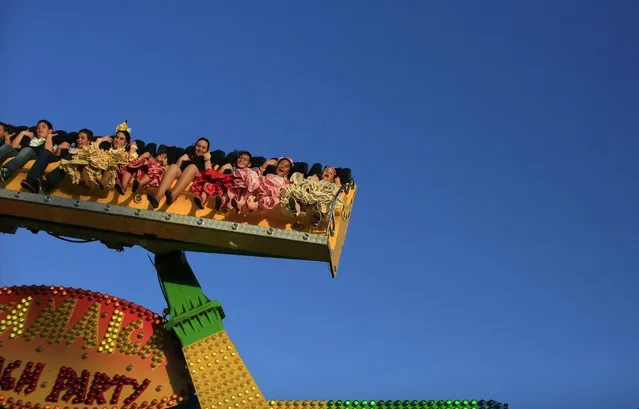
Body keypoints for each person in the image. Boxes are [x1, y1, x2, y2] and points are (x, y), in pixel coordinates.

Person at [59, 121, 136, 189]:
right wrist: (102, 139)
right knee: (85, 163)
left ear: (126, 143)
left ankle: (103, 183)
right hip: (98, 165)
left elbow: (130, 159)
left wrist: (132, 147)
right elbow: (93, 147)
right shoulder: (106, 146)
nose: (117, 140)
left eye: (121, 139)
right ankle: (86, 182)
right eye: (116, 137)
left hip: (112, 169)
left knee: (110, 169)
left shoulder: (125, 153)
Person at [20, 129, 93, 193]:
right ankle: (32, 181)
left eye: (82, 138)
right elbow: (56, 157)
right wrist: (59, 148)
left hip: (71, 164)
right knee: (45, 152)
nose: (79, 140)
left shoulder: (92, 151)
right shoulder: (71, 148)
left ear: (89, 141)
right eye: (78, 138)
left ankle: (49, 184)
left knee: (70, 158)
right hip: (61, 160)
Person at [146, 137, 211, 208]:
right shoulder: (188, 153)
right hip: (184, 175)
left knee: (192, 167)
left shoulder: (207, 159)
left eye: (203, 148)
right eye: (198, 146)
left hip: (197, 177)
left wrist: (207, 160)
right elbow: (177, 168)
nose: (200, 149)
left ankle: (172, 196)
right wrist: (180, 159)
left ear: (207, 150)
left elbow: (210, 175)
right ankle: (157, 199)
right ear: (195, 146)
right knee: (173, 166)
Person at [0, 120, 66, 184]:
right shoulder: (30, 138)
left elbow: (47, 152)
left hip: (35, 156)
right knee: (6, 147)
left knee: (27, 150)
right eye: (38, 127)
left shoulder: (52, 140)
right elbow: (13, 147)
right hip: (20, 155)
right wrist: (22, 133)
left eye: (43, 127)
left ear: (50, 130)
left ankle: (6, 171)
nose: (40, 128)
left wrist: (49, 136)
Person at [227, 157, 293, 214]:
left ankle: (252, 205)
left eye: (286, 166)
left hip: (267, 197)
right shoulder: (268, 176)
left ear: (288, 172)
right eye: (281, 164)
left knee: (269, 199)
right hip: (255, 192)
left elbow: (285, 192)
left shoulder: (287, 183)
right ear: (276, 166)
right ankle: (240, 202)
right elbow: (258, 177)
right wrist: (266, 163)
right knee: (251, 175)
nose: (283, 166)